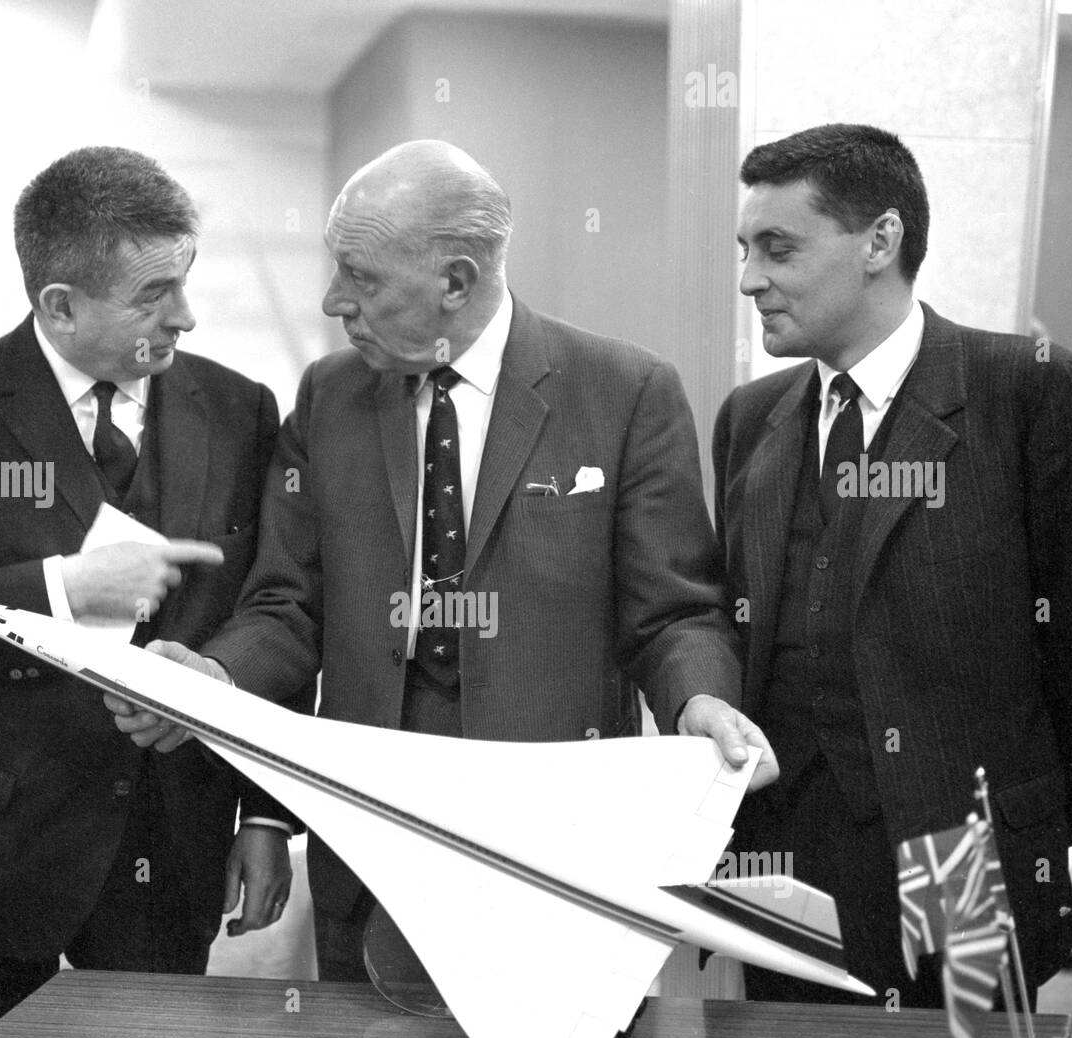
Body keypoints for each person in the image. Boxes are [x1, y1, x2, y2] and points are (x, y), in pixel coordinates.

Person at [109, 139, 775, 981]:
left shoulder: (623, 392)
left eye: (362, 277)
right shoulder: (329, 398)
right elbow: (287, 606)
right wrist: (215, 676)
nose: (332, 300)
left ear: (456, 283)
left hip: (557, 854)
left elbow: (673, 612)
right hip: (372, 847)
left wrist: (701, 702)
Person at [0, 146, 295, 1038]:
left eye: (188, 280)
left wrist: (260, 816)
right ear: (60, 305)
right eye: (153, 295)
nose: (186, 315)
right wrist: (60, 589)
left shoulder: (240, 411)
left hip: (171, 851)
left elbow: (272, 611)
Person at [718, 122, 1072, 1005]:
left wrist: (1032, 828)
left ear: (880, 241)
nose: (750, 280)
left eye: (778, 249)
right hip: (784, 862)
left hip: (962, 856)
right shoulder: (749, 420)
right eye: (745, 250)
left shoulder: (1029, 392)